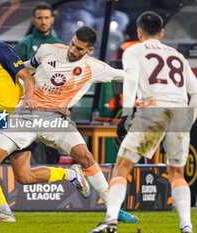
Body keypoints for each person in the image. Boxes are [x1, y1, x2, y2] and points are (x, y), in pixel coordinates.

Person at [0, 25, 139, 224]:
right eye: (72, 44)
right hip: (24, 115)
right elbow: (23, 69)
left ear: (89, 50)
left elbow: (126, 76)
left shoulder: (94, 68)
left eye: (79, 49)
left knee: (84, 158)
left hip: (55, 120)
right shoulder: (47, 50)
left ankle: (114, 210)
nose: (72, 50)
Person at [90, 11, 197, 233]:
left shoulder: (134, 50)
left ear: (138, 32)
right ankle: (186, 226)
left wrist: (126, 113)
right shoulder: (178, 55)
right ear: (162, 32)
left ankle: (110, 222)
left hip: (154, 109)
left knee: (122, 166)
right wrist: (190, 118)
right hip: (180, 112)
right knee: (177, 173)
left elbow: (130, 79)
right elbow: (195, 91)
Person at [15, 2, 62, 165]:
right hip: (28, 106)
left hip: (51, 106)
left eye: (46, 18)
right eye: (40, 18)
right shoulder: (24, 45)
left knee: (52, 149)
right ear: (33, 20)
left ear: (52, 20)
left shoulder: (60, 45)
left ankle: (53, 184)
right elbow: (15, 76)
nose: (43, 21)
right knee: (27, 148)